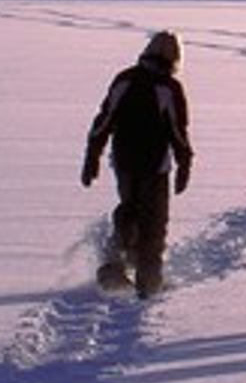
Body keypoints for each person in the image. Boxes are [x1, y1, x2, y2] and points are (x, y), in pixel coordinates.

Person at [81, 29, 194, 299]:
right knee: (153, 225)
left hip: (124, 164)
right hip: (154, 168)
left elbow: (103, 121)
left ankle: (114, 266)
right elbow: (178, 132)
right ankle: (149, 285)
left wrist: (92, 156)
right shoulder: (168, 88)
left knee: (129, 212)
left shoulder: (125, 78)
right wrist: (184, 163)